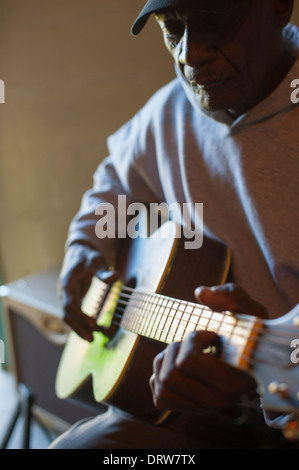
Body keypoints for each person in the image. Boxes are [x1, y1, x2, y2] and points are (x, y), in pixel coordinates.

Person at [49, 0, 299, 449]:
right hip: (200, 407)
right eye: (173, 28)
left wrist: (259, 373)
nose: (189, 54)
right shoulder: (168, 111)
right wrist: (86, 247)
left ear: (280, 6)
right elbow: (114, 184)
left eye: (217, 21)